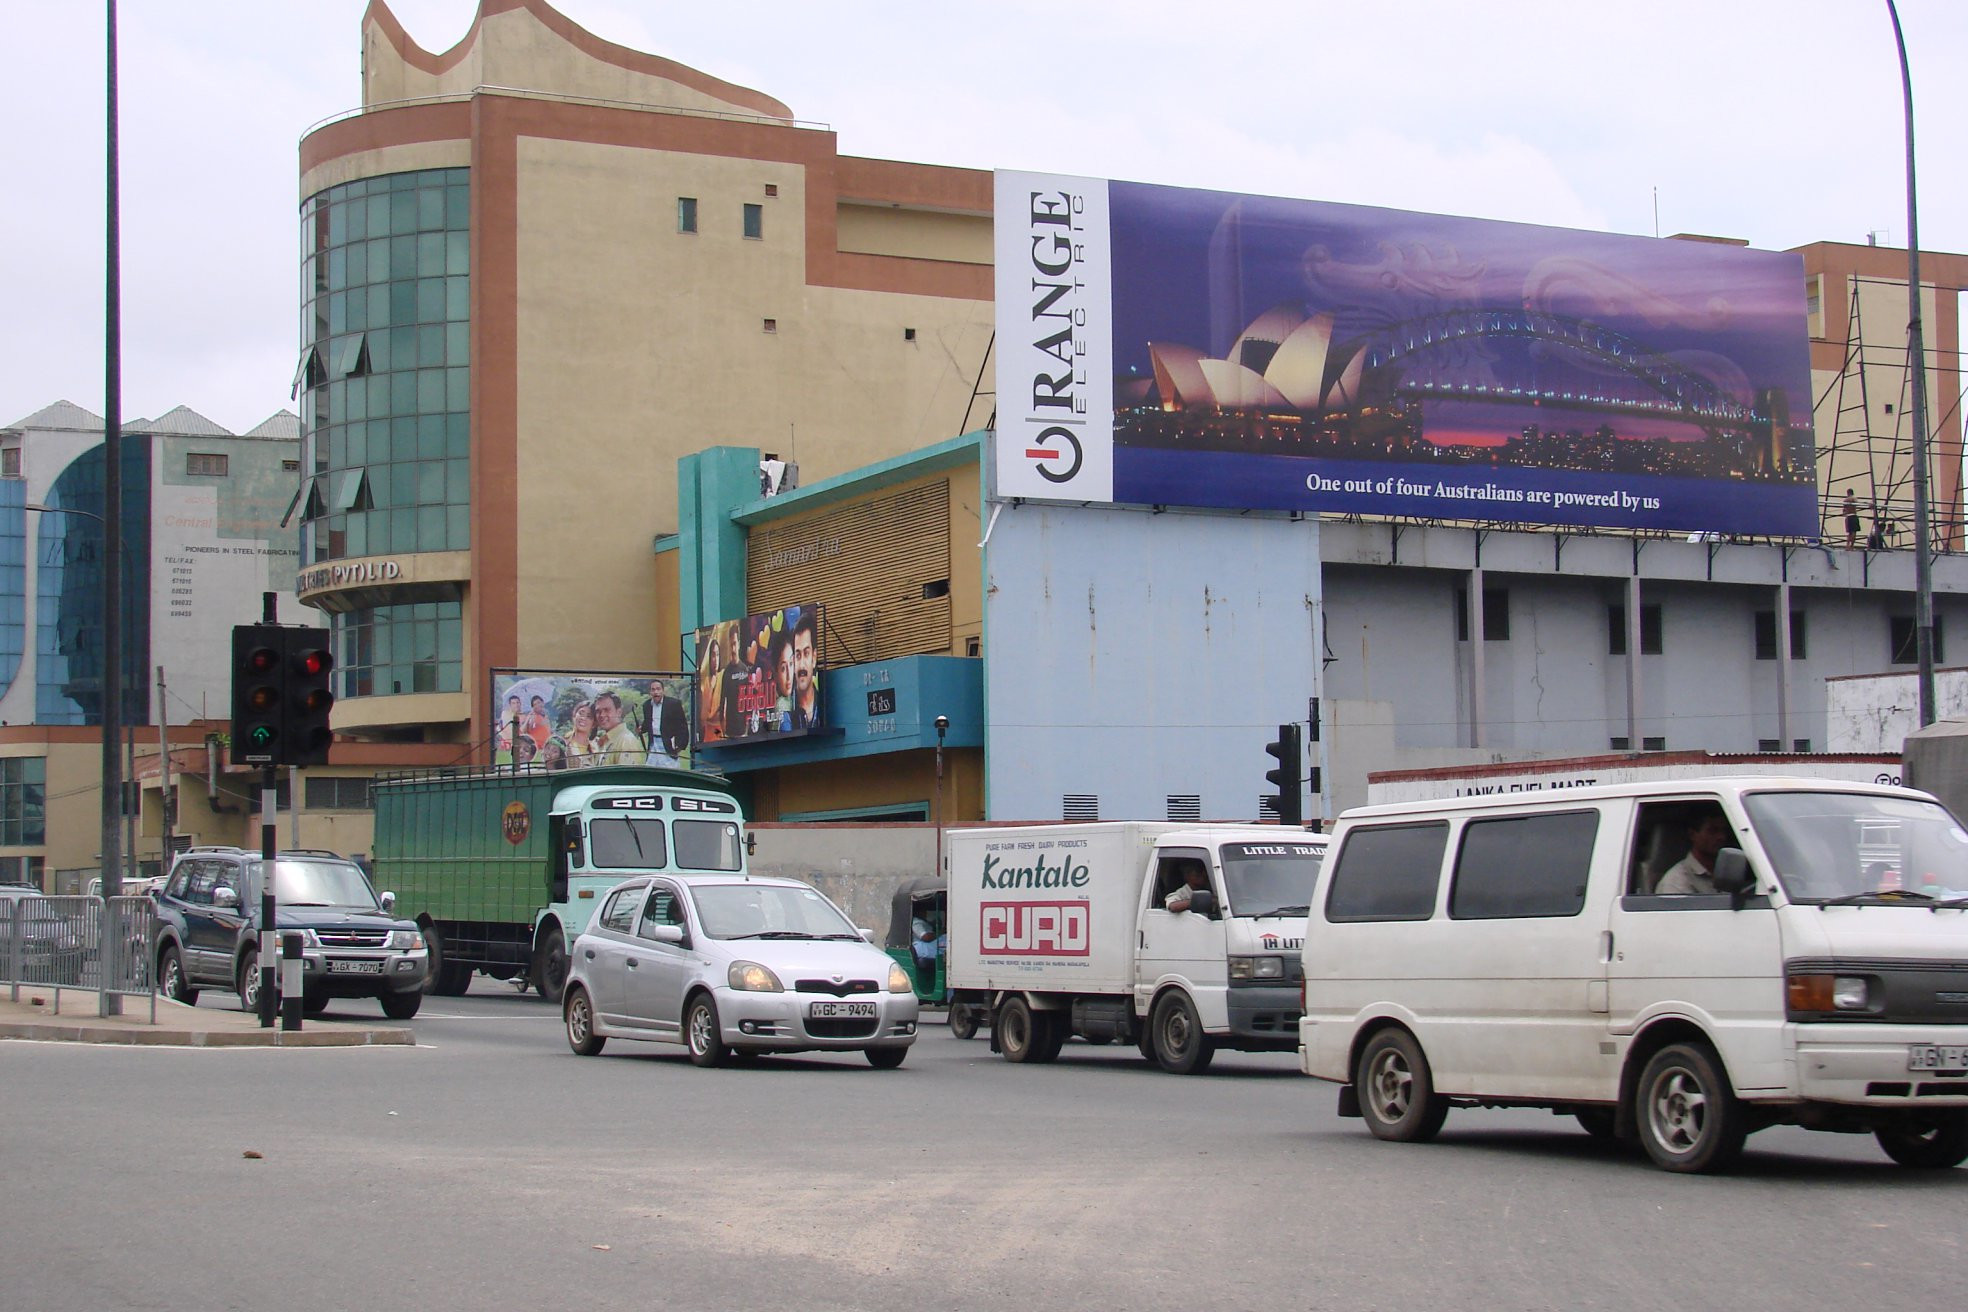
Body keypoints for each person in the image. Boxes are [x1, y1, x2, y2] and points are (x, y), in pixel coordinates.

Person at [1656, 808, 1736, 895]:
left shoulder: (1727, 872)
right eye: (1712, 831)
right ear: (1692, 835)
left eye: (1723, 831)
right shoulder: (1677, 882)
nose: (1721, 837)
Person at [643, 679, 689, 766]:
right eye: (653, 689)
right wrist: (641, 729)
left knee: (670, 770)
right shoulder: (647, 705)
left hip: (668, 742)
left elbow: (682, 726)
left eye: (658, 689)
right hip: (653, 744)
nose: (656, 692)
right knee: (650, 770)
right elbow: (647, 723)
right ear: (650, 692)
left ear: (663, 691)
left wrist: (679, 746)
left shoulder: (673, 704)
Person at [788, 610, 820, 730]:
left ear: (814, 658)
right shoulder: (786, 712)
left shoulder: (823, 705)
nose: (801, 665)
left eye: (806, 653)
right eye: (798, 655)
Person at [592, 690, 644, 765]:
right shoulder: (606, 740)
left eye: (607, 710)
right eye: (598, 711)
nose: (602, 715)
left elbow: (626, 776)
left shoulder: (626, 741)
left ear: (619, 712)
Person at [563, 699, 599, 764]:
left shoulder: (597, 749)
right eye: (581, 713)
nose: (583, 718)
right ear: (574, 715)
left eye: (589, 716)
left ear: (594, 724)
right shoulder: (563, 745)